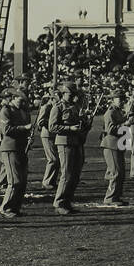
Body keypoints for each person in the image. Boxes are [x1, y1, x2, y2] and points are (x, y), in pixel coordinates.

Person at [0, 83, 32, 218]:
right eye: (20, 100)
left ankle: (15, 207)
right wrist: (24, 128)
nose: (22, 103)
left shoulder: (22, 111)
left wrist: (28, 136)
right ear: (14, 98)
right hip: (10, 148)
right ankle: (5, 208)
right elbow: (7, 130)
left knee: (22, 181)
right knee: (14, 180)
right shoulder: (6, 110)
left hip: (21, 148)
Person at [49, 80, 86, 215]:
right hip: (64, 142)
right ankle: (59, 203)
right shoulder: (57, 107)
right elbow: (52, 127)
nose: (73, 96)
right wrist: (69, 127)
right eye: (70, 94)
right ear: (64, 93)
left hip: (76, 142)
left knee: (75, 175)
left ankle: (67, 201)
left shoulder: (74, 107)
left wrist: (84, 121)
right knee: (66, 174)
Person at [99, 87, 129, 206]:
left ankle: (116, 196)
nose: (122, 101)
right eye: (119, 99)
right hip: (111, 144)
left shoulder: (118, 111)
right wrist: (125, 124)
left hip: (118, 144)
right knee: (115, 172)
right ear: (113, 100)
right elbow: (110, 129)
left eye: (123, 99)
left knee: (120, 172)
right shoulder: (111, 112)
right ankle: (110, 197)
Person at [36, 88, 59, 192]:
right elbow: (40, 122)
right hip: (47, 134)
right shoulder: (46, 107)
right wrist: (50, 123)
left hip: (53, 135)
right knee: (52, 159)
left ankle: (52, 181)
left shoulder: (54, 107)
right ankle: (47, 181)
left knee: (56, 160)